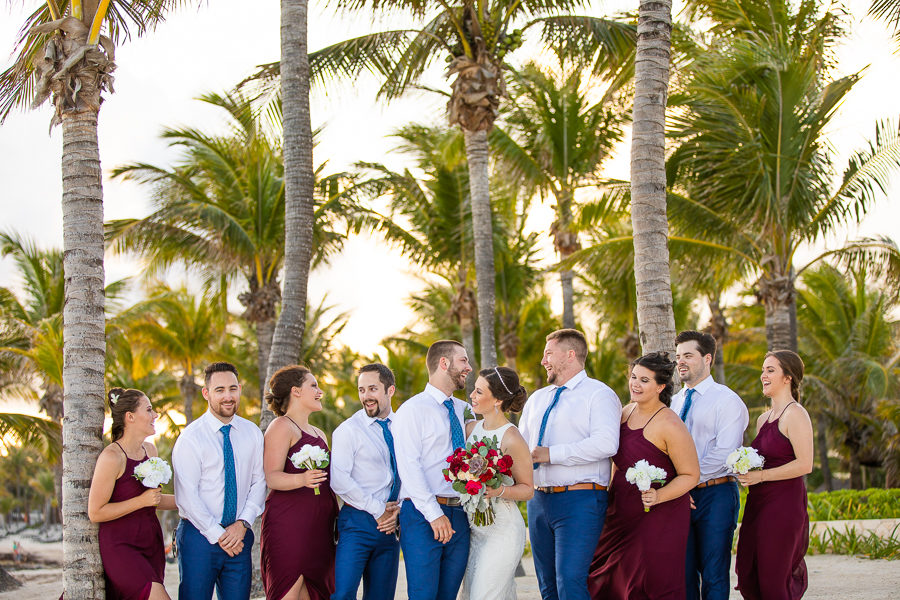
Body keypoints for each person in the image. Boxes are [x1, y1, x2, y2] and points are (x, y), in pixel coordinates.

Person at [519, 328, 621, 600]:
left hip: (581, 500)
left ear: (570, 354)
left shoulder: (599, 395)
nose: (543, 361)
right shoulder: (537, 399)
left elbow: (607, 444)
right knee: (547, 584)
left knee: (571, 581)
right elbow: (521, 447)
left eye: (549, 353)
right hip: (538, 501)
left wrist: (550, 454)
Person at [588, 353, 700, 598]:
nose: (635, 384)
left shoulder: (670, 425)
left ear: (660, 387)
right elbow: (618, 461)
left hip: (659, 515)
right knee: (607, 577)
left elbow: (691, 474)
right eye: (633, 377)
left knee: (648, 580)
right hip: (619, 510)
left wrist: (659, 496)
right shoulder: (625, 412)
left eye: (644, 380)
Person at [172, 362, 266, 600]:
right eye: (220, 390)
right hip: (199, 537)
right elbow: (187, 496)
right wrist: (218, 534)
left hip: (239, 536)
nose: (228, 396)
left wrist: (242, 523)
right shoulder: (191, 438)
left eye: (233, 389)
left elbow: (259, 482)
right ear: (206, 393)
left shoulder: (252, 432)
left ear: (240, 390)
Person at [392, 340, 474, 600]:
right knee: (423, 594)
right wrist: (434, 514)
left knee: (448, 594)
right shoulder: (412, 410)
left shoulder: (464, 410)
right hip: (421, 514)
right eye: (463, 361)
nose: (469, 368)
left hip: (461, 513)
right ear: (444, 363)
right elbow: (409, 467)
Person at [671, 331, 749, 600]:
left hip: (715, 494)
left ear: (707, 358)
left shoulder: (726, 400)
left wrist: (685, 480)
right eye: (678, 356)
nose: (681, 361)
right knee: (682, 572)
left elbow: (724, 453)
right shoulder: (673, 402)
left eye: (688, 356)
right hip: (680, 496)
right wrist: (678, 487)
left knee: (714, 573)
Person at [735, 350, 813, 600]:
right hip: (758, 504)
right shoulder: (763, 419)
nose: (763, 376)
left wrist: (760, 477)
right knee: (750, 570)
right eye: (762, 370)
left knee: (773, 576)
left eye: (770, 370)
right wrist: (746, 471)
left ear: (788, 377)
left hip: (783, 506)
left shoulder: (796, 414)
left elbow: (805, 464)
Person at [88, 387, 177, 600]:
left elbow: (153, 500)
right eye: (149, 410)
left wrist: (195, 502)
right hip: (121, 547)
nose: (155, 415)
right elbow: (96, 512)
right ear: (130, 417)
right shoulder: (112, 457)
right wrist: (140, 501)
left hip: (151, 543)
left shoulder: (150, 451)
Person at [260, 365, 339, 600]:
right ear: (295, 391)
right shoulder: (281, 426)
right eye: (313, 385)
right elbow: (271, 476)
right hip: (289, 525)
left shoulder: (319, 433)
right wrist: (302, 478)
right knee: (288, 590)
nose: (319, 391)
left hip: (320, 528)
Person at [330, 363, 402, 600]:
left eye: (372, 389)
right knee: (342, 594)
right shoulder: (348, 430)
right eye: (362, 390)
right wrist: (377, 509)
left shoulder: (404, 427)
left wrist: (396, 512)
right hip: (357, 523)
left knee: (381, 596)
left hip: (391, 525)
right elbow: (339, 480)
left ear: (390, 390)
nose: (366, 397)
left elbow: (411, 471)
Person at [461, 366, 533, 600]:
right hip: (475, 530)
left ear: (498, 400)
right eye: (474, 389)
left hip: (502, 531)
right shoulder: (471, 428)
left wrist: (499, 489)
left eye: (479, 392)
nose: (472, 395)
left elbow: (528, 490)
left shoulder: (511, 437)